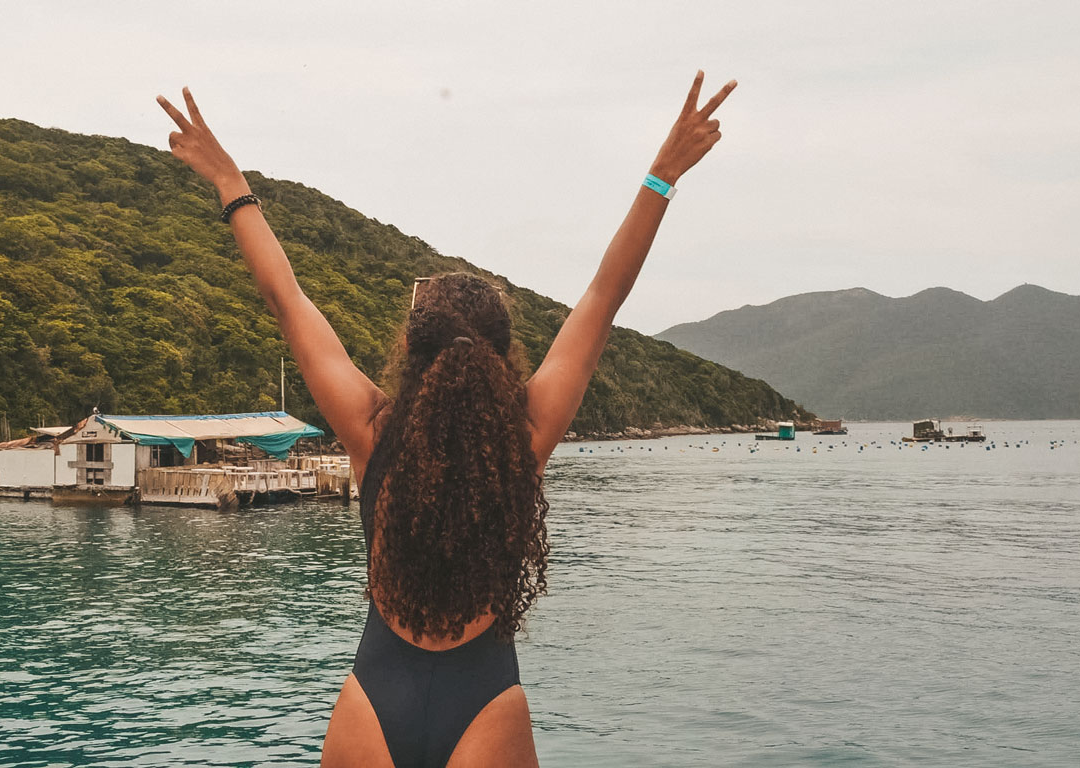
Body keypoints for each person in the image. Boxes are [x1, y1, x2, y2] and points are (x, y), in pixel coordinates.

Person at [158, 70, 735, 768]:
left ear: (413, 351)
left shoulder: (372, 429)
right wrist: (663, 175)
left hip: (373, 700)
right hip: (487, 705)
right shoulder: (525, 438)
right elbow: (603, 297)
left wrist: (231, 185)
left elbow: (288, 299)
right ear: (501, 357)